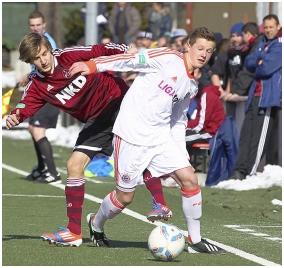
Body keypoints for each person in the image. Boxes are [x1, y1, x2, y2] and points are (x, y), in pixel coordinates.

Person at [69, 27, 225, 253]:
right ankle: (96, 222)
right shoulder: (166, 57)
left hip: (160, 137)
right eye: (200, 48)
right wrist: (93, 66)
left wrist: (179, 151)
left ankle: (195, 239)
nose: (203, 54)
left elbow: (179, 119)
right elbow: (130, 59)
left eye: (209, 51)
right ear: (188, 46)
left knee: (190, 179)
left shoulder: (191, 85)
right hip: (131, 135)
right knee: (125, 197)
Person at [6, 32, 130, 247]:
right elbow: (26, 106)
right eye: (37, 58)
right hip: (97, 121)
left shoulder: (68, 56)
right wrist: (15, 115)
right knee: (74, 165)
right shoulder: (37, 85)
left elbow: (100, 50)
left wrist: (124, 51)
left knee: (144, 170)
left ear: (50, 49)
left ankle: (169, 210)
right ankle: (74, 231)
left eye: (45, 53)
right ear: (30, 61)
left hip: (121, 102)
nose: (43, 60)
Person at [229, 14, 282, 180]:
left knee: (258, 138)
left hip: (267, 97)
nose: (268, 30)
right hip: (254, 95)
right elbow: (249, 63)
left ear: (278, 27)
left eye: (271, 27)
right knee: (246, 134)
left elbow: (265, 69)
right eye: (265, 27)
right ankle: (239, 169)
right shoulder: (262, 43)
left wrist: (259, 61)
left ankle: (249, 172)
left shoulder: (279, 45)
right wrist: (259, 60)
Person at [21, 10, 61, 183]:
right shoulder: (34, 42)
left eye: (39, 25)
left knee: (38, 130)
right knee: (32, 128)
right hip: (40, 92)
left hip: (49, 93)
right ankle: (42, 167)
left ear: (44, 25)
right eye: (32, 25)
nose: (36, 28)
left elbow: (51, 70)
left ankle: (53, 173)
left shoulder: (46, 43)